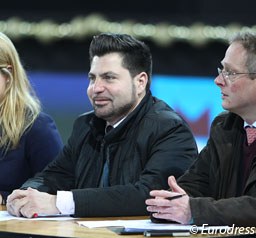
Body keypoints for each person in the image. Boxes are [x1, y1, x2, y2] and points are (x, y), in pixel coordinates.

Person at [6, 33, 198, 218]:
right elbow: (52, 176)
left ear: (140, 82)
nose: (95, 88)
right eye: (92, 78)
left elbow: (148, 195)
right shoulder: (85, 126)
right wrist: (25, 195)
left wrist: (59, 203)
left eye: (109, 78)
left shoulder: (170, 130)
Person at [146, 31, 256, 227]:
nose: (218, 80)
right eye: (221, 70)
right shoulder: (224, 127)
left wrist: (194, 210)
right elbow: (195, 186)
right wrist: (171, 203)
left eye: (230, 72)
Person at [0, 32, 63, 204]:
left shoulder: (37, 126)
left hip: (16, 227)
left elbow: (58, 184)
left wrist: (5, 197)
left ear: (8, 74)